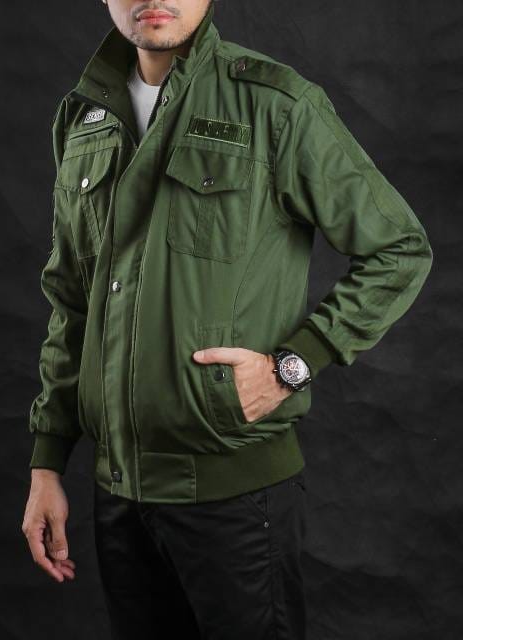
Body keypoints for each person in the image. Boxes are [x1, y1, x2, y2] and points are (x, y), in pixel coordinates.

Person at [21, 1, 433, 638]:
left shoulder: (276, 105)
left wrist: (292, 365)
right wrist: (47, 464)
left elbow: (398, 250)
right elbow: (73, 300)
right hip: (119, 498)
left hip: (235, 498)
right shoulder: (83, 119)